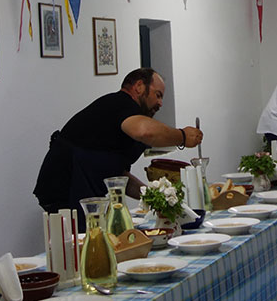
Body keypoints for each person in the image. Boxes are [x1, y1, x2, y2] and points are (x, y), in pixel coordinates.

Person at [33, 68, 203, 229]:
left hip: (81, 189)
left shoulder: (125, 117)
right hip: (66, 190)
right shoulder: (121, 103)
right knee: (82, 247)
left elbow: (119, 177)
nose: (160, 103)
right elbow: (145, 131)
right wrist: (182, 136)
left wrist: (154, 198)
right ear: (138, 87)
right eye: (157, 95)